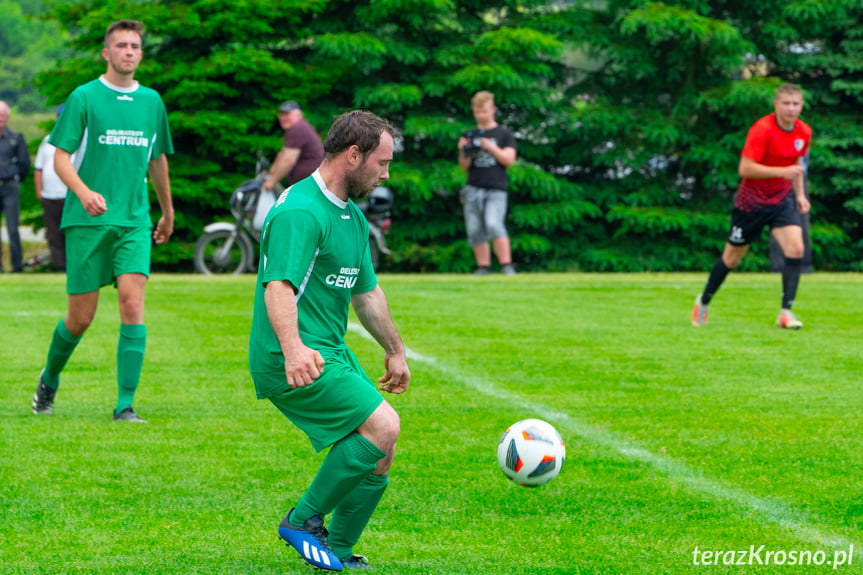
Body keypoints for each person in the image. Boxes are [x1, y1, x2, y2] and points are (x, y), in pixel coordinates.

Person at [249, 110, 410, 571]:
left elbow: (367, 293)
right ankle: (301, 521)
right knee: (382, 427)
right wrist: (294, 349)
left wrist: (394, 350)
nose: (385, 172)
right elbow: (277, 287)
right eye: (381, 162)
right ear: (353, 155)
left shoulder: (350, 217)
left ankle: (337, 552)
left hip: (327, 350)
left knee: (381, 451)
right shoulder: (301, 210)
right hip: (288, 353)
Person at [30, 19, 175, 422]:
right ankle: (50, 377)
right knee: (81, 319)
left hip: (133, 221)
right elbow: (59, 156)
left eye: (135, 46)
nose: (129, 51)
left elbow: (158, 158)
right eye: (121, 45)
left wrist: (167, 210)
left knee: (133, 305)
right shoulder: (84, 97)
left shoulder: (152, 102)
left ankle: (124, 405)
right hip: (87, 222)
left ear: (141, 54)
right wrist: (84, 191)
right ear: (106, 53)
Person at [692, 83, 811, 329]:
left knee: (796, 248)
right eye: (786, 104)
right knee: (731, 259)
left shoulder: (804, 132)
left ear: (801, 106)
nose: (791, 109)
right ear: (776, 104)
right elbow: (745, 168)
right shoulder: (762, 129)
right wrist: (782, 171)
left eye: (796, 104)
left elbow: (796, 167)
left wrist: (799, 195)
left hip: (781, 200)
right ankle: (703, 301)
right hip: (751, 204)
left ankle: (785, 312)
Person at [457, 90, 517, 275]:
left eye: (484, 111)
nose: (480, 115)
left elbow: (509, 160)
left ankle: (506, 265)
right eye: (477, 111)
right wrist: (463, 150)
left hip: (496, 188)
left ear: (493, 110)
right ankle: (484, 267)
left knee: (493, 224)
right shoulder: (471, 134)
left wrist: (491, 147)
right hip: (473, 187)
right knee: (475, 229)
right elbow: (464, 167)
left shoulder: (503, 133)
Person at [34, 105, 70, 272]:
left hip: (69, 195)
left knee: (70, 234)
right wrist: (39, 192)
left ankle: (72, 266)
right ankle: (58, 266)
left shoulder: (76, 139)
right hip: (50, 195)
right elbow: (39, 167)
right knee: (54, 234)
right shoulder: (47, 140)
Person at [261, 100, 324, 192]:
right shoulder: (297, 128)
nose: (283, 118)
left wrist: (271, 182)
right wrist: (270, 176)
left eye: (287, 114)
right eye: (281, 114)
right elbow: (282, 156)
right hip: (308, 185)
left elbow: (288, 160)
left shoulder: (298, 128)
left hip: (310, 187)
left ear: (298, 115)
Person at [0, 100, 32, 273]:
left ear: (8, 117)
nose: (0, 118)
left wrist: (16, 178)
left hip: (10, 185)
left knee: (13, 228)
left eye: (3, 115)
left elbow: (25, 163)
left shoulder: (15, 137)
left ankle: (17, 265)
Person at [769, 149, 813, 274]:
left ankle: (804, 266)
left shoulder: (801, 133)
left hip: (799, 175)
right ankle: (778, 267)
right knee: (779, 223)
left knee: (802, 221)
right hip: (779, 175)